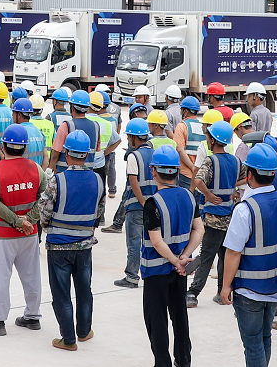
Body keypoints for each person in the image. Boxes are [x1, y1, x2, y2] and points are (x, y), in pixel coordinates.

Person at [220, 142, 277, 367]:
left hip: (249, 289)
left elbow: (233, 252)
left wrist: (225, 286)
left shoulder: (245, 209)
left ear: (249, 174)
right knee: (265, 338)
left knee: (253, 343)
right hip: (275, 287)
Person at [0, 123, 48, 336]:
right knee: (32, 276)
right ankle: (32, 316)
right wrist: (28, 220)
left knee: (1, 278)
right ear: (25, 147)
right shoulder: (36, 169)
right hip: (29, 234)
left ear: (3, 145)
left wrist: (16, 221)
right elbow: (44, 199)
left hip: (3, 236)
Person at [41, 129, 104, 351]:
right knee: (84, 289)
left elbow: (44, 211)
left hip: (58, 245)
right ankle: (84, 331)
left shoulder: (57, 181)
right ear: (86, 155)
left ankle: (68, 339)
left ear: (66, 154)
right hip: (85, 245)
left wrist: (48, 227)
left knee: (61, 293)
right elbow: (99, 212)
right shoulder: (98, 180)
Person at [141, 145, 203, 367]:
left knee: (156, 321)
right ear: (177, 171)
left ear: (153, 171)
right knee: (179, 317)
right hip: (180, 271)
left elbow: (157, 242)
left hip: (156, 271)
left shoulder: (153, 203)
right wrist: (183, 258)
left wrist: (175, 261)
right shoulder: (189, 196)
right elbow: (199, 230)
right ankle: (184, 360)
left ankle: (163, 363)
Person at [187, 120, 249, 307]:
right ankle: (222, 292)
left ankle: (193, 293)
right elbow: (247, 178)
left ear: (213, 140)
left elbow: (198, 180)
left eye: (208, 137)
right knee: (225, 255)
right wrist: (231, 188)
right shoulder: (235, 161)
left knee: (206, 256)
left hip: (213, 217)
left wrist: (208, 194)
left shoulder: (210, 160)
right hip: (230, 217)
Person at [115, 118, 156, 288]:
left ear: (134, 137)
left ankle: (132, 277)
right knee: (152, 242)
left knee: (134, 243)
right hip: (154, 206)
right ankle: (151, 274)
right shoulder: (155, 153)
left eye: (128, 137)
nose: (127, 140)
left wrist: (142, 202)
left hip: (137, 207)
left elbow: (133, 181)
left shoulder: (134, 156)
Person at [48, 90, 100, 173]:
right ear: (87, 109)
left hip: (65, 172)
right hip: (87, 172)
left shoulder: (66, 125)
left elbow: (55, 153)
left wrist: (50, 168)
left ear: (72, 108)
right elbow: (97, 149)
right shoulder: (96, 126)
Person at [170, 96, 205, 188]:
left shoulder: (182, 126)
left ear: (185, 111)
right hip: (201, 173)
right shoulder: (202, 126)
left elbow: (179, 150)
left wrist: (192, 167)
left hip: (186, 173)